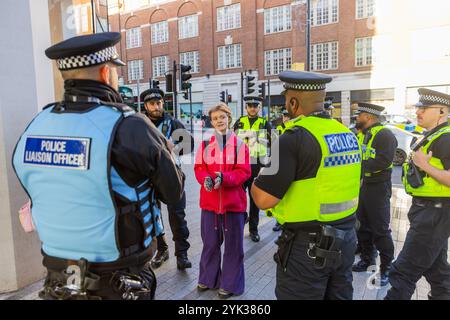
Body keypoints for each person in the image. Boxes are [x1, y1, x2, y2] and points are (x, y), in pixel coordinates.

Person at [12, 33, 184, 300]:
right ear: (106, 73)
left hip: (58, 279)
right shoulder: (129, 125)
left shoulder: (36, 126)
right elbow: (173, 192)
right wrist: (169, 154)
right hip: (119, 280)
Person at [251, 70, 362, 300]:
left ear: (293, 102)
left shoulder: (292, 137)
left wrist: (257, 178)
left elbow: (263, 199)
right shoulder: (348, 134)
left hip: (308, 248)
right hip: (347, 239)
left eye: (286, 99)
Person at [385, 88, 450, 300]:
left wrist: (425, 166)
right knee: (437, 270)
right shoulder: (432, 135)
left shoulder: (446, 138)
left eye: (424, 108)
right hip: (427, 211)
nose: (418, 111)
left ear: (441, 111)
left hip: (435, 213)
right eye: (418, 107)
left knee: (403, 271)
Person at [194, 103, 251, 299]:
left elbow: (244, 172)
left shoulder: (240, 145)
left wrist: (224, 178)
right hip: (209, 205)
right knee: (210, 243)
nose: (219, 120)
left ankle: (231, 284)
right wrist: (206, 180)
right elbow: (199, 169)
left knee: (234, 248)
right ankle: (208, 279)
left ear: (229, 118)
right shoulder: (204, 145)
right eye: (215, 118)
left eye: (222, 117)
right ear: (211, 122)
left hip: (233, 206)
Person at [140, 88, 193, 270]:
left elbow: (189, 145)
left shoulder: (173, 123)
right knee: (153, 216)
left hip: (172, 177)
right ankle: (162, 250)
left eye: (159, 103)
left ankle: (182, 254)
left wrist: (174, 148)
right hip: (147, 178)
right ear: (145, 106)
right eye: (152, 104)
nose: (156, 107)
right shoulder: (140, 124)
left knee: (178, 215)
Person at [351, 103, 397, 286]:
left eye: (359, 115)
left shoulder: (384, 135)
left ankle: (386, 268)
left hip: (378, 187)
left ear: (369, 117)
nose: (356, 118)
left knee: (380, 229)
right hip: (364, 186)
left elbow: (383, 161)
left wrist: (357, 166)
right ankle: (367, 259)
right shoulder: (362, 134)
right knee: (362, 225)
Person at [233, 96, 272, 242]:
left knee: (254, 199)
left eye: (255, 106)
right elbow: (232, 142)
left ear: (259, 108)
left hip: (257, 166)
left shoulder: (264, 123)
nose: (253, 108)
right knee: (238, 197)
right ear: (246, 108)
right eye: (250, 106)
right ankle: (240, 222)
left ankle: (253, 230)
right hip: (241, 165)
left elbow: (273, 143)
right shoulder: (239, 123)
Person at [272, 110, 291, 232]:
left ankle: (288, 220)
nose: (286, 118)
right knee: (278, 195)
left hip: (291, 165)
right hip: (279, 165)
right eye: (284, 116)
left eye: (288, 116)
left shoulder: (295, 128)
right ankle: (278, 221)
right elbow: (273, 148)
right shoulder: (277, 129)